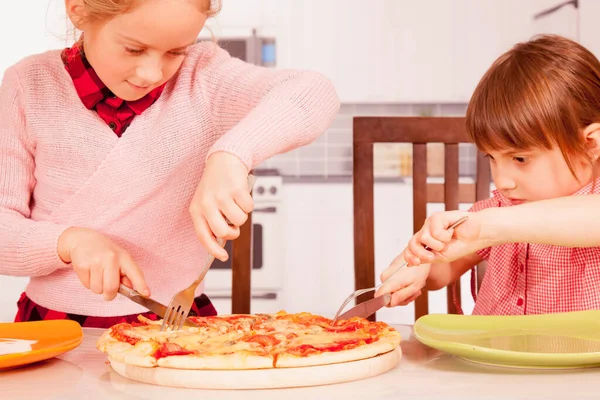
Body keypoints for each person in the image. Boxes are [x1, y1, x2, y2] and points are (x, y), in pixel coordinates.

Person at [0, 0, 339, 327]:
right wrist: (69, 242)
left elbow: (313, 92)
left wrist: (232, 154)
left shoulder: (203, 77)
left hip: (176, 324)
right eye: (133, 49)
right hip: (56, 327)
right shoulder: (28, 85)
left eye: (176, 52)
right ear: (78, 10)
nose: (152, 73)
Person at [377, 34, 600, 316]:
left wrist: (486, 227)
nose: (503, 181)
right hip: (489, 359)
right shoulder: (497, 209)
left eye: (520, 158)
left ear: (590, 144)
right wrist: (419, 263)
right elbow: (441, 272)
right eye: (492, 158)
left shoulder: (497, 219)